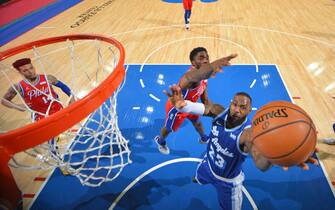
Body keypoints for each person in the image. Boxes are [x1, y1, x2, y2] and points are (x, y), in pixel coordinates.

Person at [164, 66, 319, 209]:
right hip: (208, 166)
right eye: (235, 104)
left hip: (228, 183)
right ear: (231, 104)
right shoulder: (219, 111)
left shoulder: (248, 134)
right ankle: (199, 179)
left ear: (250, 110)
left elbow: (261, 164)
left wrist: (278, 156)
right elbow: (203, 108)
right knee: (198, 176)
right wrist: (183, 105)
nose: (237, 110)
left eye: (243, 107)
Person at [154, 47, 237, 155]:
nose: (205, 60)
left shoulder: (204, 77)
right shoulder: (190, 77)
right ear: (193, 62)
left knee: (197, 123)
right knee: (168, 128)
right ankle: (160, 141)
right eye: (201, 58)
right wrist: (215, 65)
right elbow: (198, 75)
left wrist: (210, 107)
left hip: (191, 106)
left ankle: (203, 138)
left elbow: (204, 93)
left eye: (207, 57)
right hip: (177, 108)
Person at [1, 58, 74, 121]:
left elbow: (63, 86)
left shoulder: (47, 78)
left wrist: (72, 96)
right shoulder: (18, 86)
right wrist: (17, 106)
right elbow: (4, 101)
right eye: (25, 70)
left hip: (57, 108)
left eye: (31, 68)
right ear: (20, 72)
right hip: (40, 115)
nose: (31, 72)